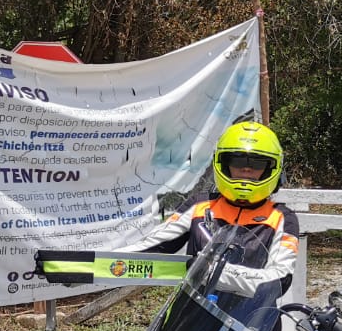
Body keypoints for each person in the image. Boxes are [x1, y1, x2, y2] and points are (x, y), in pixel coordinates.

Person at [125, 121, 299, 304]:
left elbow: (279, 281)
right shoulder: (200, 205)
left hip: (252, 322)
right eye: (237, 161)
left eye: (257, 163)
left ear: (271, 169)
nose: (246, 169)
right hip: (191, 315)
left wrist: (211, 270)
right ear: (223, 164)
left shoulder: (282, 217)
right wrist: (95, 261)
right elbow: (151, 245)